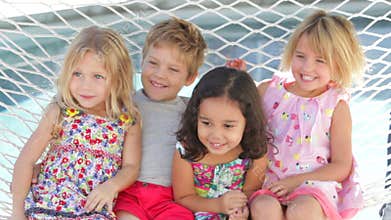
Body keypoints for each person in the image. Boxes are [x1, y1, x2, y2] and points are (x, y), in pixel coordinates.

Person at [11, 26, 142, 219]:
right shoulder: (61, 111)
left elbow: (131, 167)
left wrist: (111, 186)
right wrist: (17, 211)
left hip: (91, 208)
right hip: (50, 202)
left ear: (117, 79)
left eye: (98, 76)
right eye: (77, 74)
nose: (85, 85)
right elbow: (26, 160)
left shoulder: (127, 120)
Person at [248, 10, 366, 220]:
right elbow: (237, 121)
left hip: (313, 187)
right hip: (269, 182)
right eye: (300, 56)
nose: (307, 67)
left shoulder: (335, 105)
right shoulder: (269, 91)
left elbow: (341, 166)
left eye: (320, 60)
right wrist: (238, 80)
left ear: (339, 63)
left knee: (302, 210)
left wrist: (296, 181)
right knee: (264, 207)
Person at [113, 17, 207, 220]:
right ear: (142, 60)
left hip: (170, 199)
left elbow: (225, 110)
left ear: (190, 78)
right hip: (128, 194)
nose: (159, 75)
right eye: (153, 63)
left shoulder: (191, 110)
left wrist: (233, 76)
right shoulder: (124, 104)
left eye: (173, 69)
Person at [172, 66, 269, 220]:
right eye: (206, 123)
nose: (216, 136)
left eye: (228, 126)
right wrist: (218, 205)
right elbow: (183, 197)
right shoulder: (187, 151)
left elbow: (251, 192)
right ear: (195, 116)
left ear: (248, 122)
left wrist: (241, 211)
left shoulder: (254, 151)